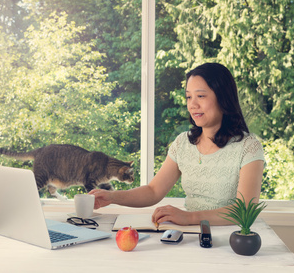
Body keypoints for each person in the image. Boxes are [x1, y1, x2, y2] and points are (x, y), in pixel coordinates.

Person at [89, 63, 265, 226]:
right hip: (189, 237)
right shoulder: (183, 143)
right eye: (189, 97)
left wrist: (189, 217)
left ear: (223, 98)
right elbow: (153, 191)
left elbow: (244, 211)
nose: (192, 104)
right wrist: (112, 197)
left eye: (201, 96)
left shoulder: (248, 147)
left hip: (230, 241)